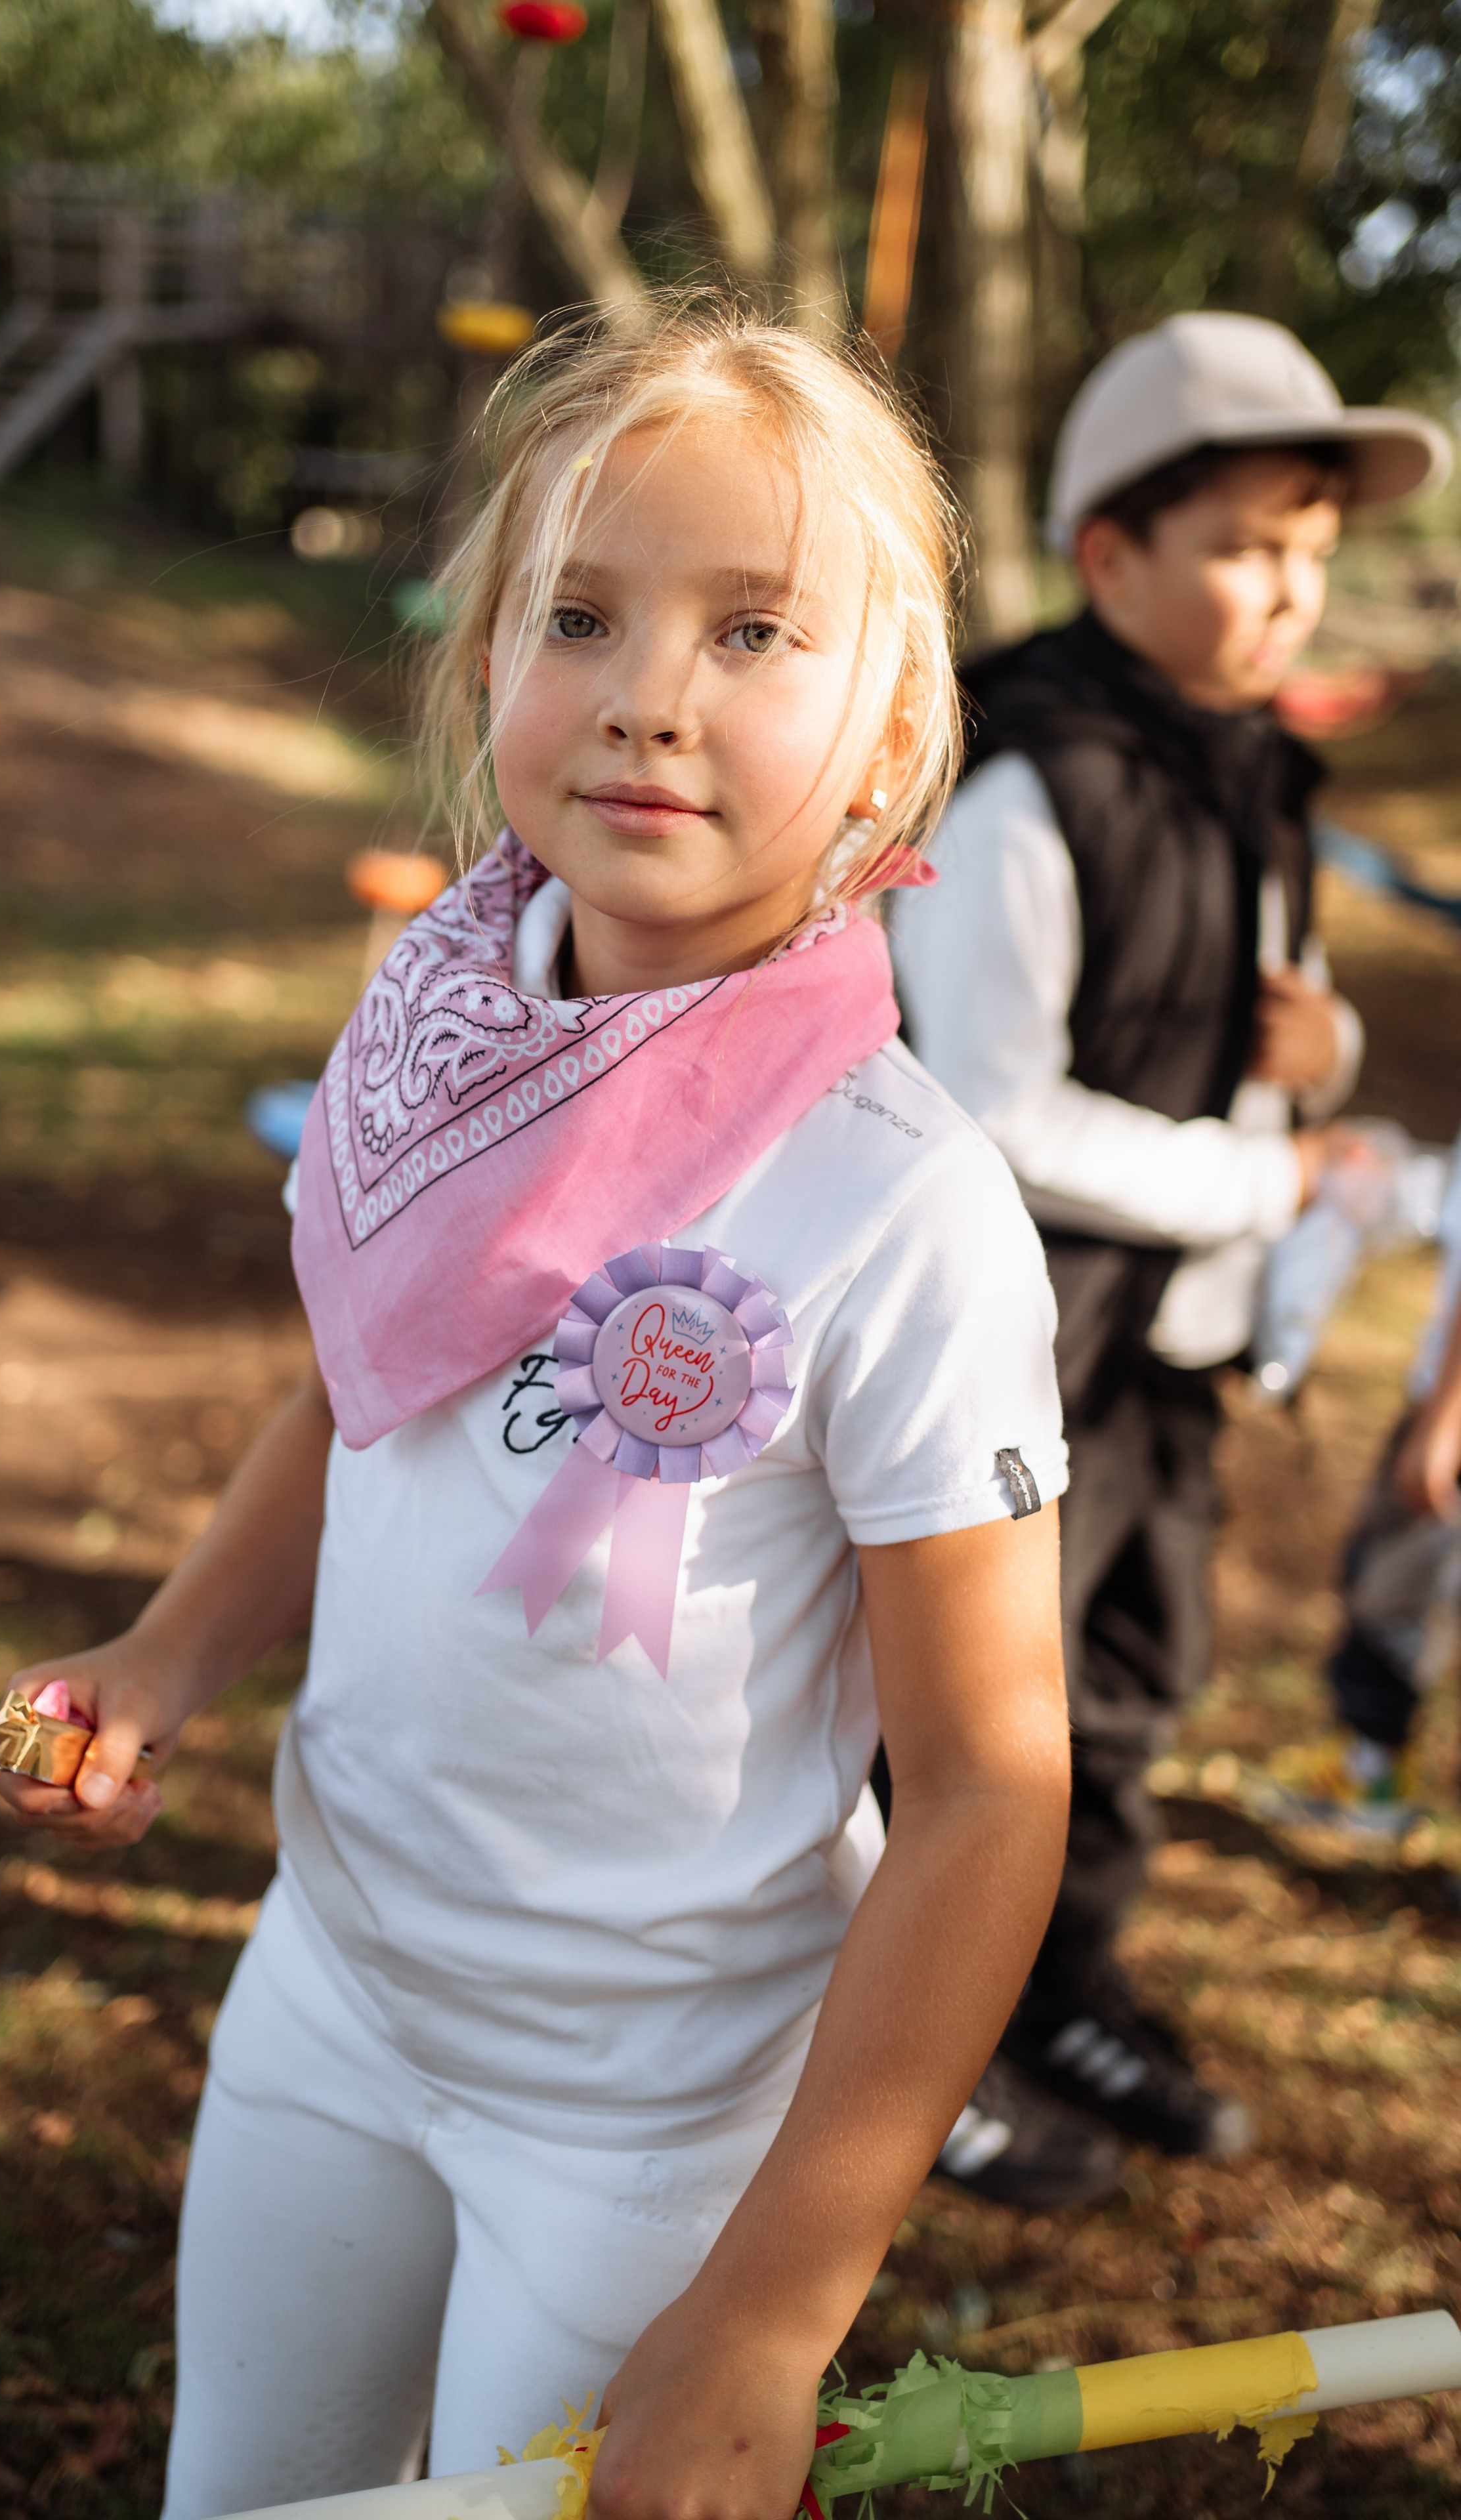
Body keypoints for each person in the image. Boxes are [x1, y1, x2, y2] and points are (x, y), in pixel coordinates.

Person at [0, 303, 1074, 2520]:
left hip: (659, 2120)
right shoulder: (427, 1042)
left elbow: (988, 1793)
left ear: (886, 739)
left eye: (756, 630)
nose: (649, 691)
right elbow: (360, 1398)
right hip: (335, 1993)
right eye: (579, 614)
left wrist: (769, 2313)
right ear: (488, 667)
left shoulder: (905, 1205)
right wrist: (170, 1655)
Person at [889, 312, 1449, 2200]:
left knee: (1129, 1678)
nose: (1287, 590)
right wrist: (1257, 1184)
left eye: (1308, 548)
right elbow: (989, 1107)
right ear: (1110, 554)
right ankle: (889, 2051)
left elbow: (1261, 1026)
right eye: (1239, 547)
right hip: (1017, 1351)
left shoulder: (1254, 770)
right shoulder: (1027, 781)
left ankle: (1052, 1986)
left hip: (1171, 1351)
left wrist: (1330, 1063)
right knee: (964, 1714)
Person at [1268, 1129, 1461, 1836]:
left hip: (1448, 1408)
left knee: (1391, 1582)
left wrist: (1443, 1417)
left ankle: (1371, 1775)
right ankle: (1372, 1771)